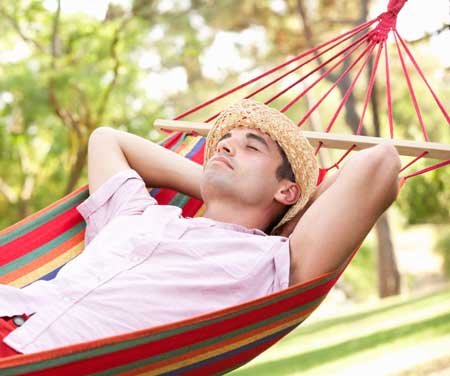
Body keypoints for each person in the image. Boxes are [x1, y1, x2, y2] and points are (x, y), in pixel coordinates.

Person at [0, 99, 401, 357]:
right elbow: (107, 140)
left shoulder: (272, 262)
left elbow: (380, 162)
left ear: (286, 189)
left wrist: (288, 212)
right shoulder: (138, 214)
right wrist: (216, 184)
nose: (225, 145)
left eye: (251, 146)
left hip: (43, 357)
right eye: (223, 141)